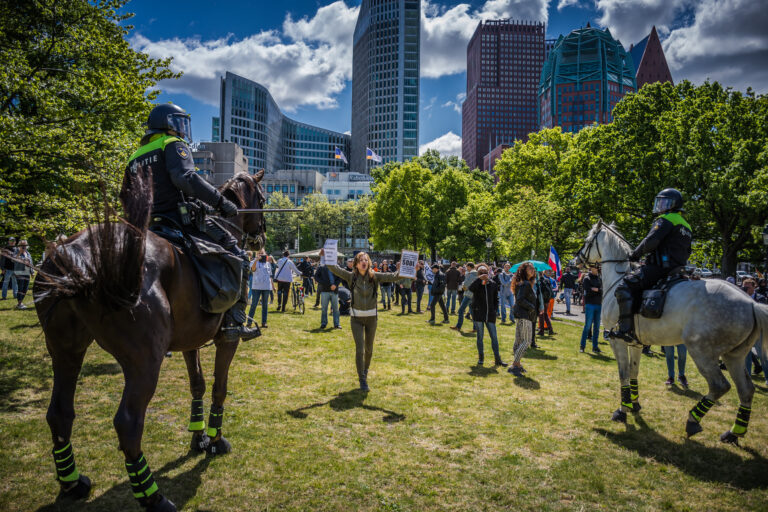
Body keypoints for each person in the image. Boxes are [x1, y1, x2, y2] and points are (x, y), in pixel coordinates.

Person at [128, 103, 260, 342]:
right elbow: (185, 178)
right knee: (239, 255)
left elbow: (125, 195)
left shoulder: (135, 156)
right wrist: (220, 202)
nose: (182, 130)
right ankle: (234, 322)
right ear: (168, 124)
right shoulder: (172, 145)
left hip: (146, 224)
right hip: (178, 220)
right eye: (178, 123)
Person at [610, 188, 692, 342]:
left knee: (624, 287)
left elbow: (650, 241)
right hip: (677, 270)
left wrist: (635, 254)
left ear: (673, 204)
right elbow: (688, 251)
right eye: (659, 202)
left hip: (659, 268)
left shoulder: (666, 219)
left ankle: (626, 330)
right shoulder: (687, 226)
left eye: (664, 202)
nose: (660, 205)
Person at [325, 249, 408, 391]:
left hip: (371, 319)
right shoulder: (351, 276)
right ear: (356, 264)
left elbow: (394, 276)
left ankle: (366, 370)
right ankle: (362, 379)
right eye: (361, 260)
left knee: (369, 350)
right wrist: (325, 255)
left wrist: (409, 269)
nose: (364, 261)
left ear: (368, 263)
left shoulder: (375, 276)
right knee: (360, 349)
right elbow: (334, 268)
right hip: (356, 318)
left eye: (366, 259)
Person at [469, 265, 506, 366]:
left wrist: (494, 310)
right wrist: (478, 280)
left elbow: (496, 299)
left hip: (490, 315)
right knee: (480, 336)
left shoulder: (492, 284)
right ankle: (481, 358)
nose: (483, 274)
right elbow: (470, 288)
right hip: (478, 313)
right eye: (481, 272)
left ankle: (498, 359)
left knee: (494, 337)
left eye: (485, 272)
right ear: (478, 273)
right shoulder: (476, 283)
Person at [509, 262, 537, 376]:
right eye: (530, 268)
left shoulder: (524, 283)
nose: (532, 270)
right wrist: (531, 308)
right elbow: (520, 300)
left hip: (522, 315)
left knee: (519, 341)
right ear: (524, 270)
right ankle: (515, 363)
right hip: (525, 315)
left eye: (533, 269)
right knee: (526, 341)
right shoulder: (525, 284)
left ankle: (517, 365)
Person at [579, 264, 602, 354]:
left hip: (598, 304)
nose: (597, 268)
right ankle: (582, 346)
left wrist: (597, 290)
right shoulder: (587, 278)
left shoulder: (599, 278)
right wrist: (597, 290)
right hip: (590, 304)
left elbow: (602, 290)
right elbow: (588, 290)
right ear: (592, 268)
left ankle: (595, 346)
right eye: (596, 267)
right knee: (587, 326)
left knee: (597, 327)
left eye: (598, 267)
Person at [248, 249, 274, 329]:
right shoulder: (253, 262)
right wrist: (256, 260)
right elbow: (253, 269)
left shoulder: (268, 264)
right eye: (259, 253)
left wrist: (272, 286)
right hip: (256, 287)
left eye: (262, 253)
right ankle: (249, 322)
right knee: (254, 305)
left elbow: (270, 275)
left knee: (265, 305)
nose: (261, 255)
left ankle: (264, 322)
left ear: (265, 254)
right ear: (256, 254)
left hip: (266, 287)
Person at [315, 261, 342, 329]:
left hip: (334, 291)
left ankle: (337, 324)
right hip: (324, 290)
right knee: (324, 309)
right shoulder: (322, 267)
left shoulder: (336, 267)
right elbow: (316, 276)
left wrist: (335, 285)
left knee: (336, 309)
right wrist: (323, 283)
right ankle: (323, 323)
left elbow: (340, 277)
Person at [451, 263, 477, 331]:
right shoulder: (476, 274)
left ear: (469, 267)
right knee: (472, 312)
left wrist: (463, 287)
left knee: (460, 310)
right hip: (473, 295)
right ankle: (475, 328)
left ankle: (458, 326)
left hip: (468, 294)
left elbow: (466, 284)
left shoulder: (471, 274)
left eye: (467, 267)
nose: (466, 268)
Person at [12, 240, 33, 309]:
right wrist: (19, 253)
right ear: (19, 245)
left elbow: (31, 263)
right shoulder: (16, 252)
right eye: (22, 245)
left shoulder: (28, 253)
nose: (24, 246)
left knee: (25, 289)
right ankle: (19, 303)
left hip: (27, 273)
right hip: (19, 272)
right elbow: (13, 260)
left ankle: (20, 302)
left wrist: (32, 272)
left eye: (25, 245)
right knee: (20, 288)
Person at [537, 272, 555, 336]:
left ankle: (541, 331)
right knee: (545, 314)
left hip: (542, 300)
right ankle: (550, 329)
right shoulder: (547, 280)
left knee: (541, 315)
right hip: (547, 299)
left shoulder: (538, 281)